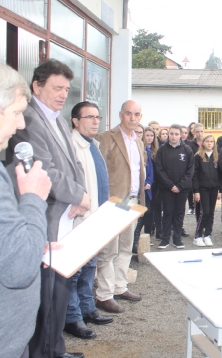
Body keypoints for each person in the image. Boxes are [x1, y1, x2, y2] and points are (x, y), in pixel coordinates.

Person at [6, 59, 89, 358]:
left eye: (66, 88)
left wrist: (80, 196)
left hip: (65, 216)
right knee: (45, 292)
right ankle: (42, 351)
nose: (63, 94)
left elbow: (73, 165)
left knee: (59, 288)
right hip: (44, 216)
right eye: (56, 87)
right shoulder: (27, 120)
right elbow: (46, 171)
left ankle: (55, 347)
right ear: (36, 86)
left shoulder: (57, 118)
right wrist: (80, 195)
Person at [0, 59, 51, 358]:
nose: (21, 124)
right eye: (17, 113)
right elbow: (18, 267)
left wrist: (32, 239)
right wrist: (32, 198)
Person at [67, 102, 114, 340]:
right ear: (75, 121)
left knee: (88, 269)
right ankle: (72, 318)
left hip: (97, 219)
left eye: (98, 116)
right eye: (89, 117)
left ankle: (87, 309)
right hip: (80, 221)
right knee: (74, 272)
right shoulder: (71, 146)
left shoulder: (93, 144)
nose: (96, 121)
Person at [95, 100, 145, 313]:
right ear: (120, 115)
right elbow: (99, 170)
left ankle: (119, 287)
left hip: (131, 200)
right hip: (113, 201)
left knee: (126, 247)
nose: (132, 118)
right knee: (109, 250)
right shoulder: (106, 138)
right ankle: (104, 295)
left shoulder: (138, 141)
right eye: (128, 114)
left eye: (136, 114)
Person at [155, 124, 194, 249]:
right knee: (167, 213)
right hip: (167, 188)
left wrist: (180, 186)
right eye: (171, 133)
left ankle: (177, 239)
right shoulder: (162, 150)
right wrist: (170, 185)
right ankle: (165, 239)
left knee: (179, 213)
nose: (173, 136)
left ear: (180, 135)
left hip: (182, 189)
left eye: (176, 134)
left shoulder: (187, 150)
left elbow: (190, 170)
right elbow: (159, 169)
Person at [192, 134, 221, 247]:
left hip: (214, 188)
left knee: (211, 213)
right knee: (205, 212)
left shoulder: (216, 156)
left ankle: (208, 234)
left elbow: (219, 175)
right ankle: (198, 236)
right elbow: (195, 175)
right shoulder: (198, 157)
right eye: (207, 141)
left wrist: (219, 190)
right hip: (202, 188)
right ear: (203, 143)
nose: (209, 143)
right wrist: (196, 191)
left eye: (211, 142)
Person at [132, 126, 157, 254]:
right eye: (137, 132)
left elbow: (150, 169)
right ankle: (134, 241)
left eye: (140, 132)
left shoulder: (146, 149)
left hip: (145, 189)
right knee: (136, 215)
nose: (139, 134)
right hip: (133, 189)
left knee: (146, 212)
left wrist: (148, 182)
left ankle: (137, 240)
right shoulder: (132, 147)